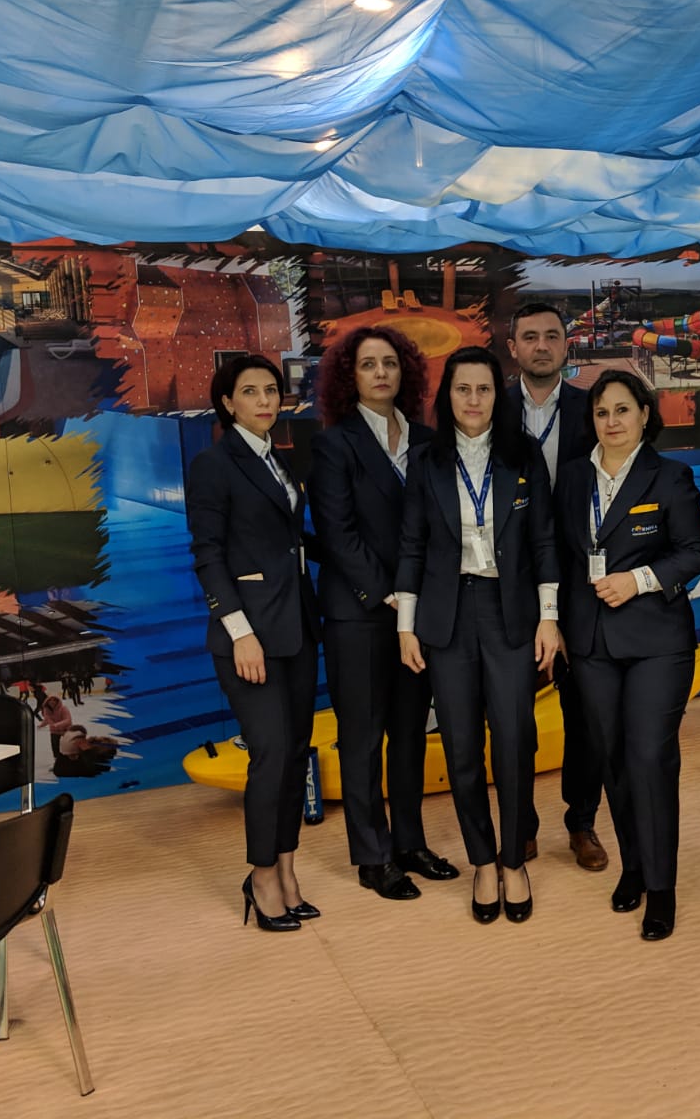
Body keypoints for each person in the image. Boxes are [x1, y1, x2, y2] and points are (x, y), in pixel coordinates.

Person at [396, 346, 563, 925]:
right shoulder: (426, 460)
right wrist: (406, 626)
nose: (473, 400)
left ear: (499, 395)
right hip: (446, 617)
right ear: (448, 396)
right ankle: (483, 862)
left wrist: (549, 616)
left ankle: (514, 860)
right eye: (462, 389)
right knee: (462, 747)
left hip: (510, 611)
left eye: (484, 389)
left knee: (514, 740)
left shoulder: (524, 454)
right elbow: (412, 545)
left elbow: (544, 539)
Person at [554, 370, 700, 942]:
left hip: (656, 644)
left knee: (649, 758)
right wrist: (557, 623)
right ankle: (635, 868)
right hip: (591, 643)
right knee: (613, 760)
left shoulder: (670, 476)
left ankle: (662, 888)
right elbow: (561, 556)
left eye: (623, 409)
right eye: (602, 412)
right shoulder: (573, 478)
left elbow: (694, 551)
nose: (612, 421)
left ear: (645, 414)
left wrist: (639, 580)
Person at [310, 325, 458, 902]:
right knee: (364, 738)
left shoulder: (427, 440)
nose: (380, 373)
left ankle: (410, 843)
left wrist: (418, 597)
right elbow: (338, 535)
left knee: (410, 733)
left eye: (390, 363)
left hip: (415, 615)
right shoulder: (334, 444)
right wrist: (392, 594)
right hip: (361, 613)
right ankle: (373, 856)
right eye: (368, 364)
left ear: (406, 372)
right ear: (350, 376)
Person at [186, 354, 320, 933]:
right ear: (227, 402)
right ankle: (261, 876)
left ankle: (286, 870)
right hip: (249, 638)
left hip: (296, 628)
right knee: (270, 753)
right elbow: (208, 555)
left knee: (293, 755)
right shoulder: (214, 465)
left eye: (271, 390)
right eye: (250, 391)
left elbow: (292, 541)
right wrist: (240, 633)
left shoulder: (276, 459)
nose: (265, 400)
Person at [506, 302, 607, 873]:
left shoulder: (591, 409)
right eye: (530, 337)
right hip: (507, 589)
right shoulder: (490, 408)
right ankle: (520, 826)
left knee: (585, 715)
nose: (541, 345)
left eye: (551, 336)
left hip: (580, 587)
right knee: (513, 716)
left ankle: (582, 822)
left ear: (567, 346)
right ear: (513, 348)